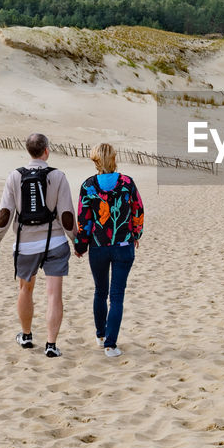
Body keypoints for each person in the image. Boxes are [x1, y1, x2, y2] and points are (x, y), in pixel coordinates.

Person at [0, 133, 75, 358]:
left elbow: (4, 214)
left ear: (28, 151)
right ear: (46, 150)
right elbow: (66, 215)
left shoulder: (14, 176)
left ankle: (26, 336)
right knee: (53, 294)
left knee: (25, 289)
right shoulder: (58, 176)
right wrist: (77, 241)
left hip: (25, 245)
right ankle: (51, 345)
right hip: (55, 242)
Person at [75, 143, 143, 358]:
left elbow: (83, 219)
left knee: (100, 291)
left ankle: (101, 335)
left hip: (98, 246)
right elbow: (138, 211)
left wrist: (81, 245)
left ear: (95, 160)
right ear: (114, 158)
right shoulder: (127, 183)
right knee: (116, 296)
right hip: (123, 246)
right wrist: (136, 234)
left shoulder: (88, 186)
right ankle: (110, 345)